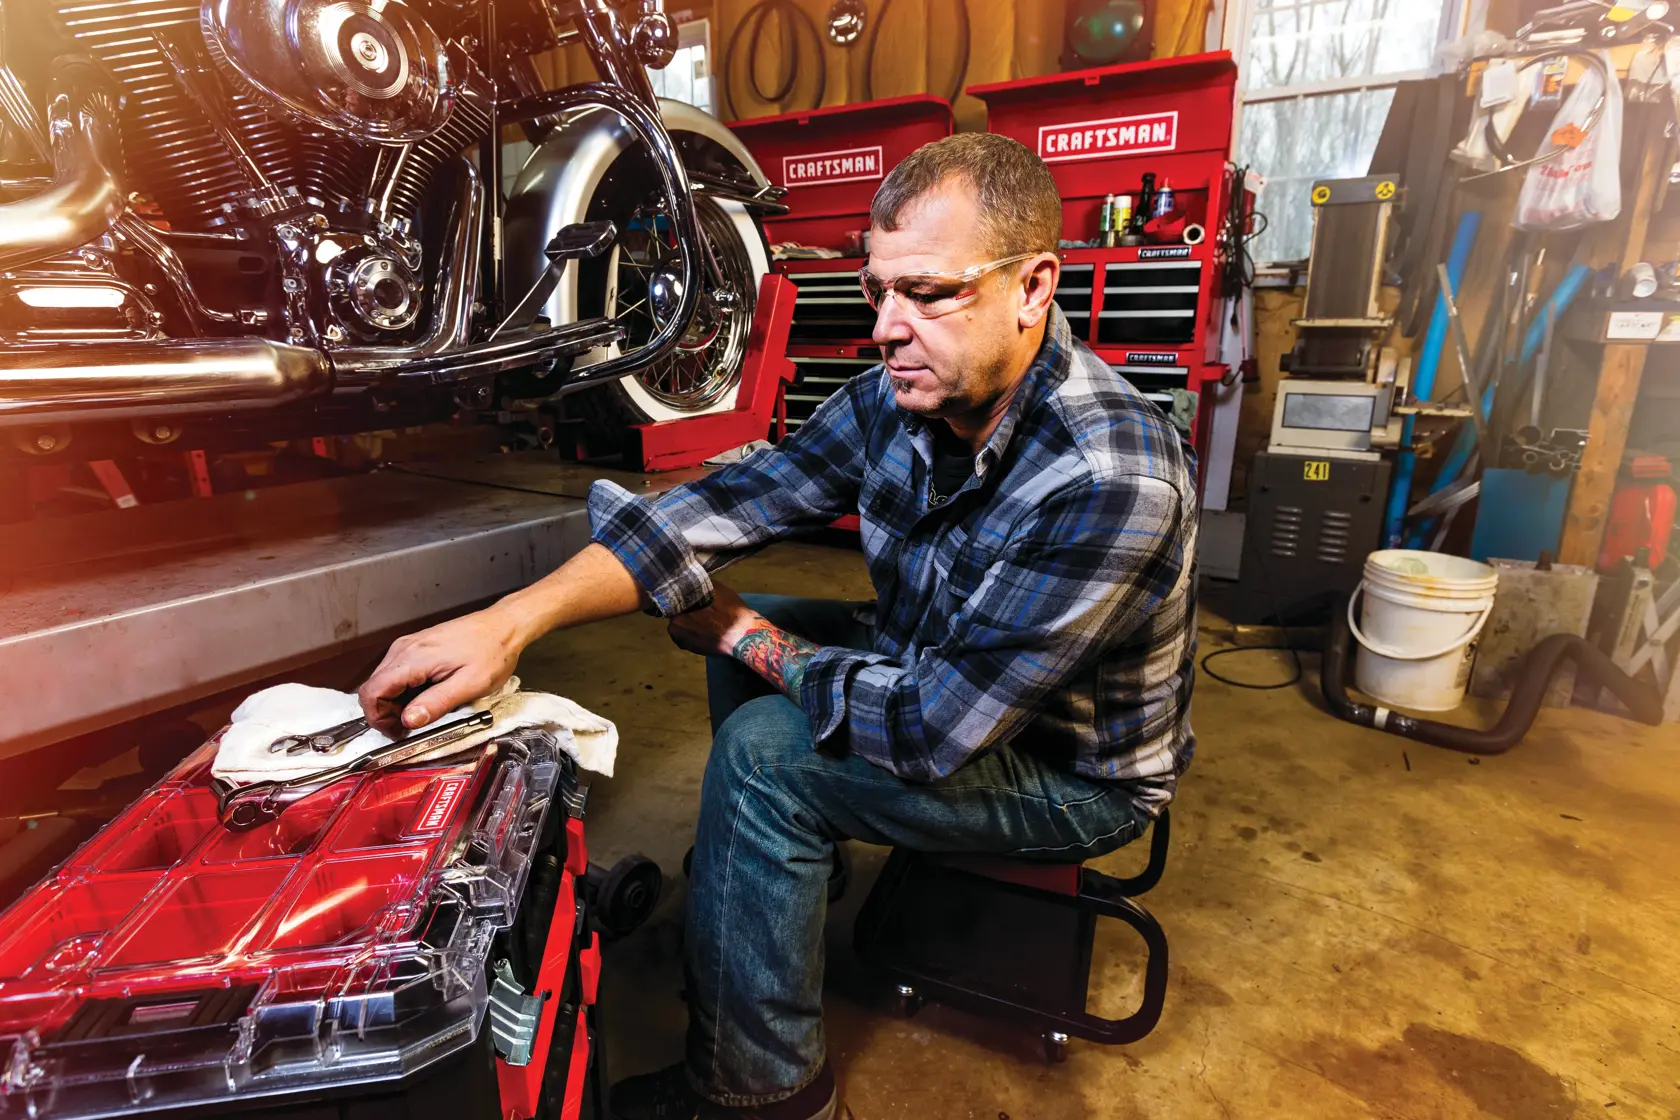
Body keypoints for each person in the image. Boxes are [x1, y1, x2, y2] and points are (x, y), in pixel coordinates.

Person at [358, 132, 1198, 1120]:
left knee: (764, 749)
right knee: (774, 637)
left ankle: (765, 1092)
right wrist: (508, 623)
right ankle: (788, 870)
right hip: (946, 668)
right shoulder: (898, 399)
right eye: (876, 290)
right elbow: (725, 506)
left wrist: (738, 633)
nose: (887, 326)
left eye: (928, 292)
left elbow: (930, 729)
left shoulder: (1107, 477)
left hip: (1070, 774)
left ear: (1033, 287)